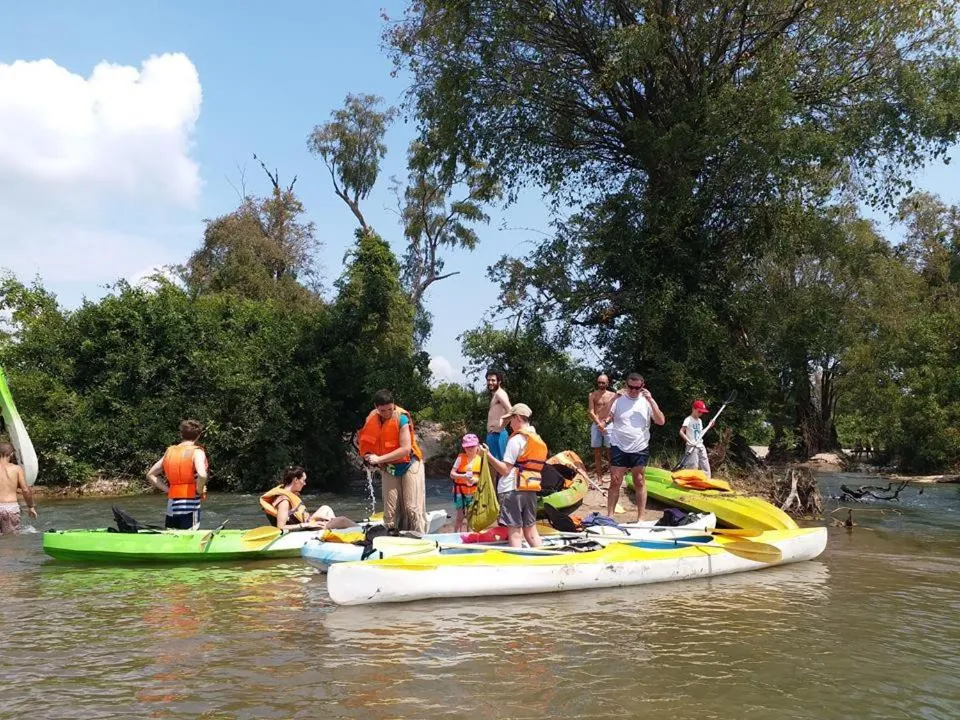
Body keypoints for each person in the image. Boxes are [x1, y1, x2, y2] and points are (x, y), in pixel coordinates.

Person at [358, 389, 427, 533]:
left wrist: (379, 459)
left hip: (410, 463)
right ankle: (391, 535)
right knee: (390, 510)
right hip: (389, 466)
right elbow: (367, 444)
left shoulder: (401, 418)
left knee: (411, 506)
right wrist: (369, 458)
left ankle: (419, 535)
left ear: (393, 405)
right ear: (376, 407)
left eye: (390, 409)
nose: (387, 413)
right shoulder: (372, 418)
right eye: (383, 411)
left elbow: (405, 449)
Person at [482, 403, 546, 548]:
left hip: (512, 490)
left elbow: (505, 470)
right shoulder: (537, 439)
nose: (510, 424)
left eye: (511, 419)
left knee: (515, 532)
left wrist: (488, 455)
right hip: (530, 489)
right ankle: (543, 559)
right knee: (531, 531)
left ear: (517, 418)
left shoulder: (515, 440)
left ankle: (519, 564)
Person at [604, 373, 665, 521]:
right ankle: (610, 517)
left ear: (642, 386)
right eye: (630, 387)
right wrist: (613, 398)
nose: (633, 391)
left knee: (639, 480)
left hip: (640, 446)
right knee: (615, 480)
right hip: (619, 444)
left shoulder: (646, 401)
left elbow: (660, 421)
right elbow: (601, 415)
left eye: (636, 388)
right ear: (626, 385)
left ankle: (641, 518)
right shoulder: (618, 400)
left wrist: (651, 399)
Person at [146, 419, 208, 530]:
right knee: (189, 538)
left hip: (172, 506)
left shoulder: (169, 452)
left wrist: (168, 490)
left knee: (172, 538)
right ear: (199, 435)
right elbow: (202, 475)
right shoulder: (197, 452)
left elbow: (150, 474)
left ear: (181, 434)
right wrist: (199, 489)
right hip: (190, 505)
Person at [259, 465, 354, 531]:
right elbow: (281, 527)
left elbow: (295, 516)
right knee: (342, 520)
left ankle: (335, 529)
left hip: (306, 525)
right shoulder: (284, 500)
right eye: (303, 480)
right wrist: (307, 524)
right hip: (300, 531)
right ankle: (359, 532)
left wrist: (315, 518)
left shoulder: (288, 493)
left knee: (325, 508)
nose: (305, 483)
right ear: (296, 480)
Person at [587, 374, 618, 486]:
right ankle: (599, 478)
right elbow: (590, 411)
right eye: (599, 382)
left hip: (609, 425)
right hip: (596, 425)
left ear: (607, 383)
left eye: (603, 382)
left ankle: (612, 477)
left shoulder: (613, 395)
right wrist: (599, 424)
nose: (601, 384)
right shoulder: (592, 394)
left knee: (611, 452)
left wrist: (606, 422)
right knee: (597, 452)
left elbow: (613, 411)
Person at [0, 442, 36, 535]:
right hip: (10, 507)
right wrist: (31, 507)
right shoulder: (16, 469)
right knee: (11, 539)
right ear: (11, 454)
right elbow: (25, 490)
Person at [449, 434, 482, 532]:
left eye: (472, 446)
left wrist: (475, 480)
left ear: (477, 446)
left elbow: (483, 479)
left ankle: (470, 537)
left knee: (471, 517)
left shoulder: (480, 460)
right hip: (460, 492)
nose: (470, 449)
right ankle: (456, 536)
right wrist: (462, 476)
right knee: (460, 516)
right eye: (467, 447)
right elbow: (452, 474)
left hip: (473, 492)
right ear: (464, 448)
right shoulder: (460, 458)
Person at [679, 399, 711, 477]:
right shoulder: (688, 419)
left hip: (700, 445)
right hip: (692, 446)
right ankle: (690, 482)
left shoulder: (699, 421)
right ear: (693, 409)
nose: (700, 414)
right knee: (693, 466)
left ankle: (707, 481)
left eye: (702, 412)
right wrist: (689, 441)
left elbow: (701, 433)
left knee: (705, 466)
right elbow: (681, 432)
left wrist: (709, 425)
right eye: (699, 411)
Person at [485, 369, 512, 462]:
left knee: (501, 464)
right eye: (488, 380)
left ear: (499, 381)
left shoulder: (500, 394)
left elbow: (511, 411)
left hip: (498, 434)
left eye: (493, 380)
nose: (490, 382)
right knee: (493, 465)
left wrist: (501, 424)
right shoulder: (495, 395)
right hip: (492, 434)